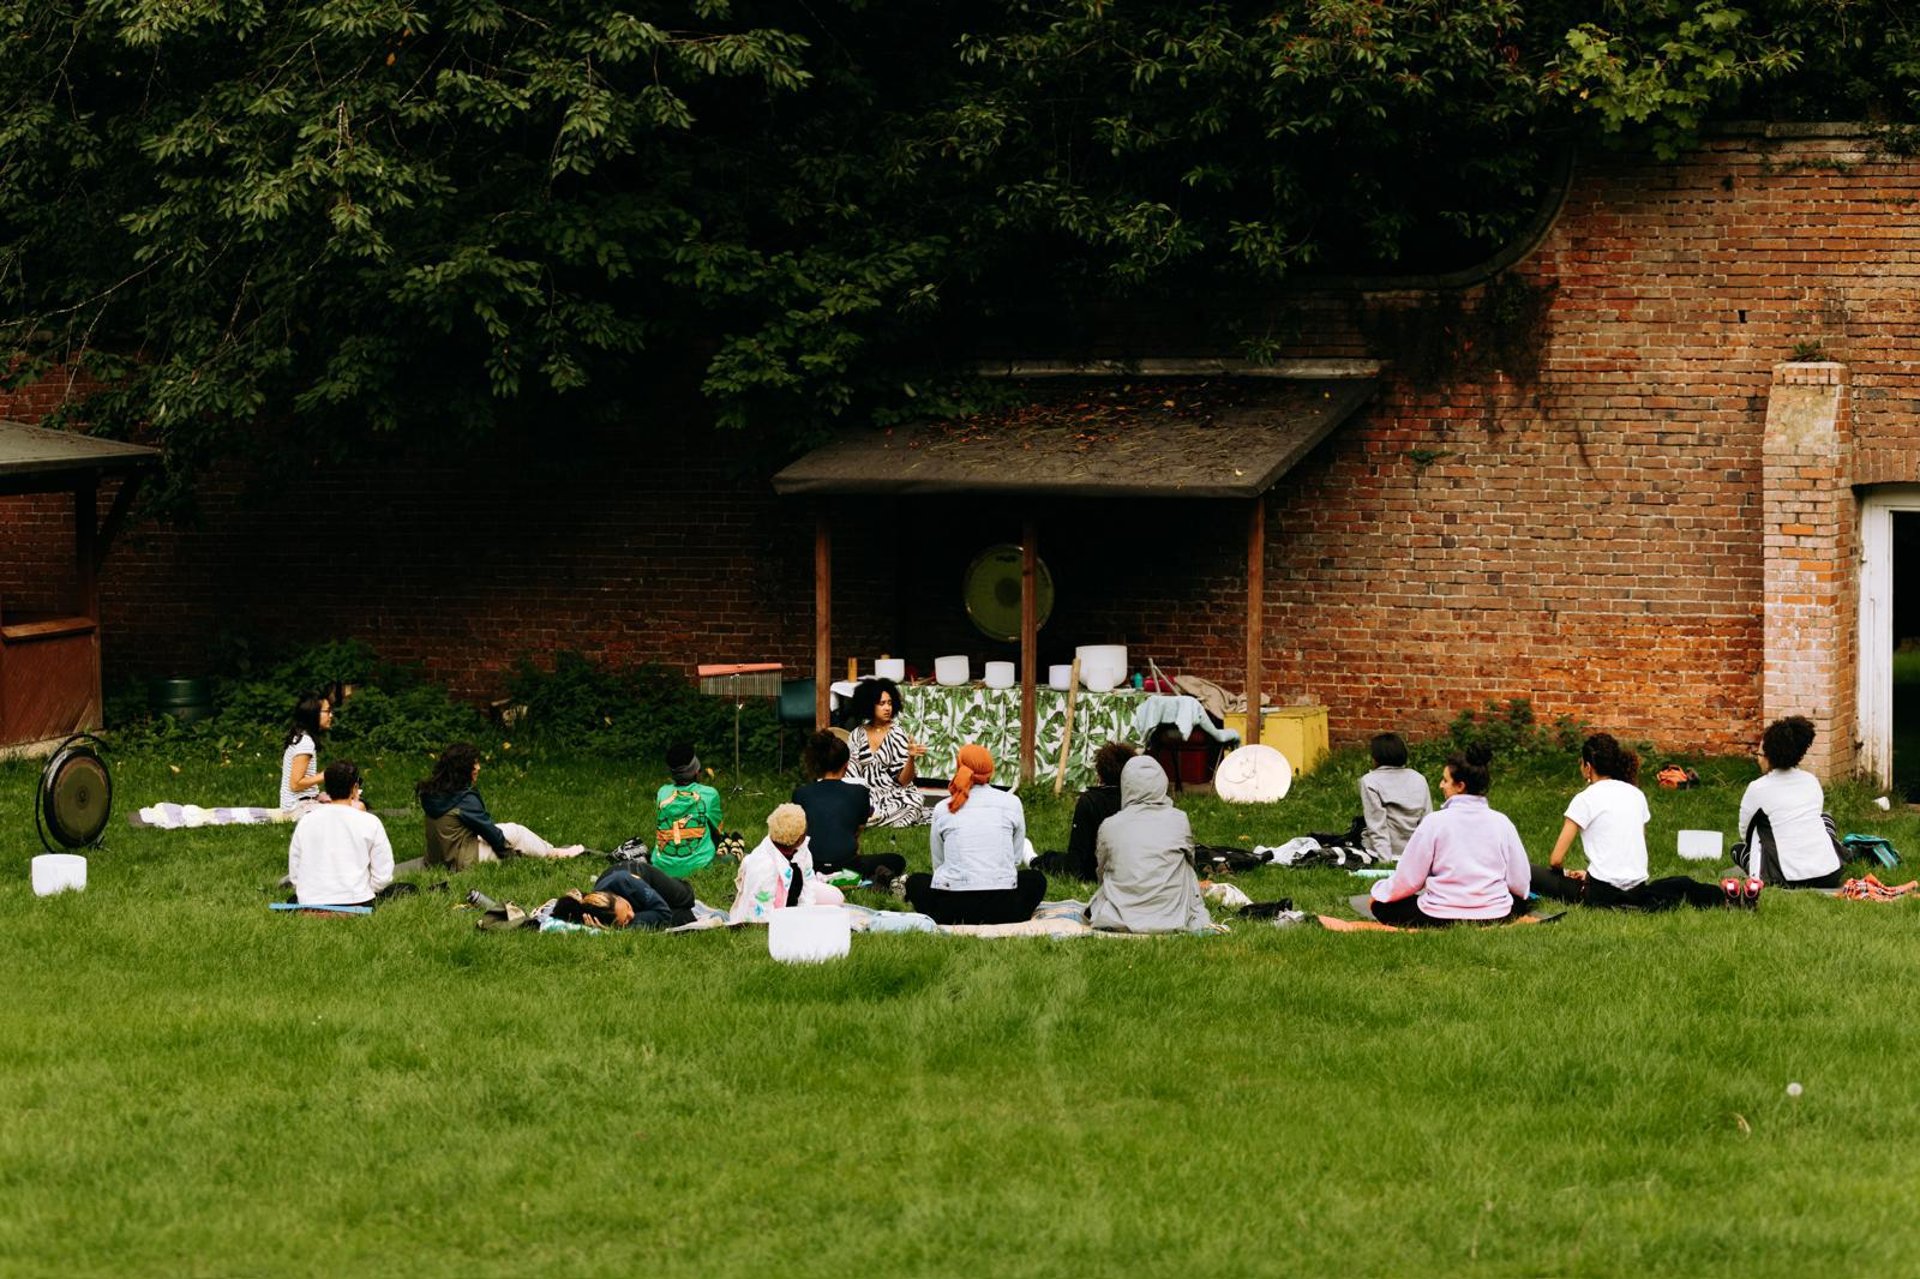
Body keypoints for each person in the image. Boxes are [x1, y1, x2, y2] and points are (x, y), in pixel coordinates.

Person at [1530, 734, 1729, 909]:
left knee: (1531, 872)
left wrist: (1567, 873)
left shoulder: (1584, 799)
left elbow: (1555, 860)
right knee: (1680, 884)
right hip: (1637, 891)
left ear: (1588, 767)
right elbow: (1631, 846)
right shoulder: (1636, 794)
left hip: (1601, 894)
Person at [1368, 745, 1530, 927]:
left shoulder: (1434, 822)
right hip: (1494, 913)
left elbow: (1409, 880)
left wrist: (1380, 893)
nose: (1441, 785)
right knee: (1521, 903)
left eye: (1445, 780)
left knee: (1381, 906)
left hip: (1440, 915)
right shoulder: (1502, 822)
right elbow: (1520, 880)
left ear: (1460, 786)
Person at [905, 744, 1047, 925]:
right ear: (991, 771)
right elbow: (1015, 860)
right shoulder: (1012, 802)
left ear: (959, 768)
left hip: (952, 910)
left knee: (916, 882)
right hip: (1005, 908)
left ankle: (947, 914)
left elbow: (939, 864)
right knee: (1036, 879)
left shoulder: (943, 807)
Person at [1087, 755, 1211, 934]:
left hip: (1120, 914)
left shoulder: (1109, 825)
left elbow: (1101, 870)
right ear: (1162, 783)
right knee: (1185, 865)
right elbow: (1191, 858)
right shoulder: (1179, 819)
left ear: (1126, 785)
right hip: (1172, 912)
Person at [416, 741, 585, 872]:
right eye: (474, 764)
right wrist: (510, 857)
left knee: (511, 829)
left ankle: (549, 849)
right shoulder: (465, 799)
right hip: (461, 861)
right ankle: (552, 853)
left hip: (436, 858)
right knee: (516, 833)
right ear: (463, 769)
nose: (478, 767)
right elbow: (490, 833)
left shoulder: (432, 791)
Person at [1735, 715, 1845, 888]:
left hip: (1785, 879)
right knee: (1824, 819)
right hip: (1829, 875)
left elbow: (1745, 833)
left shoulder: (1757, 788)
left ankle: (1761, 871)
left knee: (1738, 849)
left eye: (1760, 754)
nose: (1758, 758)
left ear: (1768, 756)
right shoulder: (1811, 780)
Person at [791, 730, 907, 886]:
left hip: (811, 865)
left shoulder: (800, 794)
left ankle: (823, 878)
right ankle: (852, 879)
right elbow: (856, 833)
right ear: (846, 765)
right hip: (847, 865)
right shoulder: (860, 792)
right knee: (897, 861)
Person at [286, 761, 394, 906]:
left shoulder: (307, 821)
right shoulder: (370, 822)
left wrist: (307, 893)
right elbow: (383, 875)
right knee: (405, 889)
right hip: (357, 900)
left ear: (327, 788)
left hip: (311, 900)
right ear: (355, 788)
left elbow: (295, 869)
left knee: (292, 901)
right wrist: (367, 891)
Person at [1035, 742, 1137, 881]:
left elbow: (1077, 859)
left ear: (1100, 773)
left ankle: (1032, 858)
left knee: (1050, 859)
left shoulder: (1090, 801)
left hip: (1094, 870)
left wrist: (1046, 861)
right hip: (1134, 870)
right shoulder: (1141, 798)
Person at [729, 803, 846, 923]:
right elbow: (762, 914)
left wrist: (806, 911)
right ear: (798, 838)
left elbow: (808, 880)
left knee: (837, 897)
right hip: (774, 904)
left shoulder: (800, 847)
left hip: (794, 891)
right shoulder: (764, 866)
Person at [844, 678, 931, 828]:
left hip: (894, 794)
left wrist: (911, 757)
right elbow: (850, 776)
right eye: (882, 703)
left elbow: (903, 782)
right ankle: (873, 816)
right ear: (869, 705)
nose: (887, 708)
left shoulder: (897, 733)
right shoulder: (856, 735)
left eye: (890, 703)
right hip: (866, 796)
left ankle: (870, 818)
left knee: (915, 800)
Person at [552, 862, 699, 931]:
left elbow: (664, 914)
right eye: (625, 920)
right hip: (626, 899)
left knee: (685, 900)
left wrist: (625, 927)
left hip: (642, 877)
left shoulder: (626, 882)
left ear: (617, 896)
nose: (632, 914)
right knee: (684, 916)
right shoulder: (599, 909)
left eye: (628, 907)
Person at [655, 742, 729, 877]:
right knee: (733, 851)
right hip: (699, 866)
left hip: (661, 867)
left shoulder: (662, 793)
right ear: (696, 771)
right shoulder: (709, 794)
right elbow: (718, 832)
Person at [1359, 732, 1432, 862]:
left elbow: (1377, 825)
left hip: (1381, 853)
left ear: (1377, 757)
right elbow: (1427, 820)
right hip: (1414, 852)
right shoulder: (1419, 778)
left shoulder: (1369, 781)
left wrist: (1385, 862)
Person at [279, 692, 336, 812]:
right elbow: (296, 784)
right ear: (313, 714)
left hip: (305, 801)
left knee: (348, 802)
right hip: (297, 807)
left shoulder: (303, 738)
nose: (331, 715)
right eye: (327, 711)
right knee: (350, 808)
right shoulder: (305, 742)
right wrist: (325, 775)